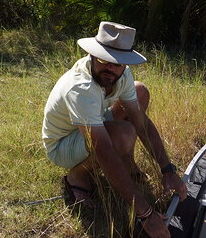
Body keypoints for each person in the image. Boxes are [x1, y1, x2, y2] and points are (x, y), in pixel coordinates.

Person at [42, 21, 187, 238]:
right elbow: (104, 150)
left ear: (125, 64)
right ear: (92, 56)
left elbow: (141, 122)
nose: (110, 68)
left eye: (117, 63)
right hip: (62, 145)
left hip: (92, 122)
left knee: (139, 92)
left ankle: (127, 165)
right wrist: (145, 213)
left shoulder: (122, 74)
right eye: (103, 59)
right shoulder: (81, 88)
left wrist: (167, 170)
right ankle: (77, 177)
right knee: (123, 134)